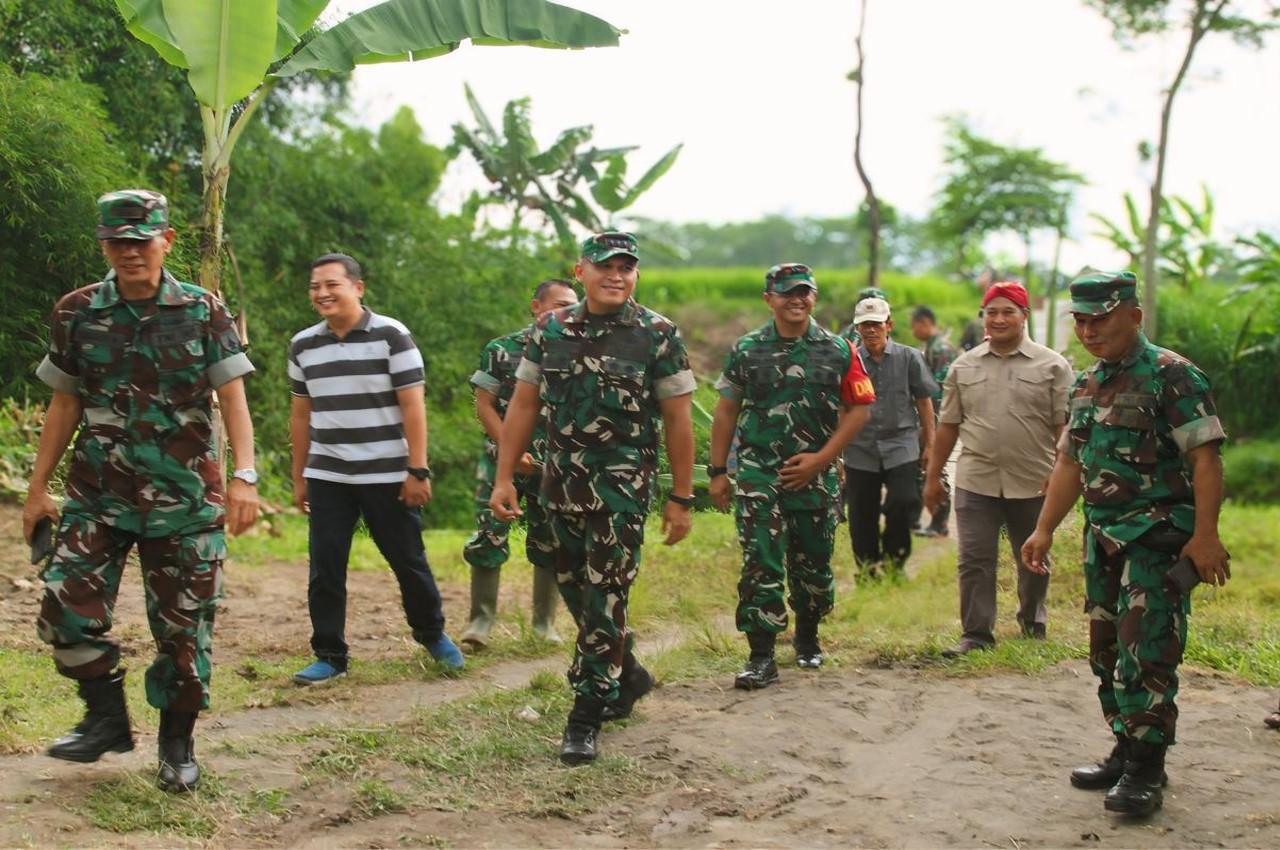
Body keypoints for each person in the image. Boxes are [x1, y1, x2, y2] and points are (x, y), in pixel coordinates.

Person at [22, 189, 259, 793]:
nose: (129, 252)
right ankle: (105, 718)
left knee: (184, 632)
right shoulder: (76, 312)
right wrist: (37, 489)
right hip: (98, 493)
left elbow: (232, 396)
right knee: (60, 610)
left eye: (141, 240)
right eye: (117, 242)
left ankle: (176, 747)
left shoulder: (205, 310)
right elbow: (65, 400)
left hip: (184, 500)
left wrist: (244, 476)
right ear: (103, 244)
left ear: (166, 240)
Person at [1022, 270, 1229, 817]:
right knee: (1106, 653)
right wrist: (1044, 528)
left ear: (1133, 316)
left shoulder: (1173, 376)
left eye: (1102, 319)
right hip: (1103, 540)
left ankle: (1147, 769)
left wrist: (1205, 537)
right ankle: (1125, 745)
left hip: (1156, 541)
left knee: (1148, 653)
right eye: (1082, 320)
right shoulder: (1085, 383)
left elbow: (1205, 459)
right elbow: (1070, 462)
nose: (1090, 330)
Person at [490, 231, 695, 766]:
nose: (617, 276)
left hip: (621, 492)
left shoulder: (657, 334)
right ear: (580, 271)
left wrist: (681, 496)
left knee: (606, 596)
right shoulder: (550, 330)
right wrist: (504, 477)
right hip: (559, 486)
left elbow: (678, 420)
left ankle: (585, 714)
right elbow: (523, 407)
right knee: (576, 590)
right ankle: (629, 673)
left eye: (627, 267)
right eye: (606, 266)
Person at [288, 253, 464, 686]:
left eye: (332, 284)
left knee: (407, 559)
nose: (323, 293)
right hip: (328, 474)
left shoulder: (391, 336)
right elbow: (299, 415)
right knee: (325, 565)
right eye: (315, 286)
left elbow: (413, 405)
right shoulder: (303, 344)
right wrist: (300, 477)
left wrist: (417, 469)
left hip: (387, 473)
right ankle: (329, 654)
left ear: (358, 288)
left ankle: (433, 634)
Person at [710, 263, 874, 690]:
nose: (796, 299)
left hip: (816, 475)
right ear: (769, 299)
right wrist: (717, 472)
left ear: (814, 297)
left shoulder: (838, 349)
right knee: (760, 562)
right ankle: (761, 654)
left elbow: (859, 410)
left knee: (813, 564)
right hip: (758, 473)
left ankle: (808, 634)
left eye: (804, 291)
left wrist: (822, 459)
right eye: (786, 293)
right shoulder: (747, 349)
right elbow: (726, 411)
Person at [924, 282, 1072, 657]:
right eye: (992, 312)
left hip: (1035, 480)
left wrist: (1061, 473)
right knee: (974, 558)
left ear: (1024, 316)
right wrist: (933, 476)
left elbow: (1064, 428)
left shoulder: (1052, 365)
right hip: (976, 479)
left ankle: (1032, 621)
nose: (1000, 319)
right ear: (983, 317)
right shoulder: (963, 366)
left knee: (1034, 557)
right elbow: (948, 426)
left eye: (1009, 311)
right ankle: (976, 634)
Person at [460, 279, 579, 649]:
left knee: (550, 542)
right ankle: (480, 622)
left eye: (573, 306)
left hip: (552, 464)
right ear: (536, 306)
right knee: (488, 536)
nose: (567, 313)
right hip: (502, 463)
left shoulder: (579, 352)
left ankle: (544, 624)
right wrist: (511, 450)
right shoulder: (502, 349)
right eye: (560, 305)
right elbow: (484, 406)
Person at [841, 297, 937, 580]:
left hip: (901, 444)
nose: (870, 330)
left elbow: (923, 401)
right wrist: (837, 451)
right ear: (857, 329)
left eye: (876, 324)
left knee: (904, 501)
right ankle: (868, 568)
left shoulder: (909, 358)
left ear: (889, 325)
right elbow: (841, 406)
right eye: (864, 325)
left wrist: (930, 443)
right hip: (860, 447)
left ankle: (895, 561)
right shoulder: (850, 360)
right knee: (861, 511)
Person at [909, 304, 958, 537]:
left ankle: (940, 522)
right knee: (924, 469)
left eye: (914, 325)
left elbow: (939, 392)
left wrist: (931, 428)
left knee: (936, 469)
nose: (912, 331)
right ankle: (929, 521)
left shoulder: (941, 350)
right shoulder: (930, 347)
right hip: (929, 420)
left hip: (938, 419)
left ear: (924, 323)